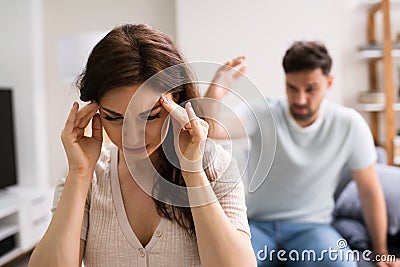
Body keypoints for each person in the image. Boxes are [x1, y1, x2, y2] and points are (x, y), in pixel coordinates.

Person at [28, 24, 256, 267]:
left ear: (174, 101)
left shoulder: (215, 166)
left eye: (149, 116)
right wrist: (80, 174)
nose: (132, 137)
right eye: (114, 118)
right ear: (95, 111)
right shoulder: (88, 175)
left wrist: (193, 173)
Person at [205, 41, 399, 266]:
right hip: (257, 226)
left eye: (310, 89)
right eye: (292, 88)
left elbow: (369, 192)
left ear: (329, 82)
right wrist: (214, 95)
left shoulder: (349, 124)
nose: (300, 100)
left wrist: (381, 252)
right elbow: (213, 130)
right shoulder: (263, 111)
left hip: (313, 228)